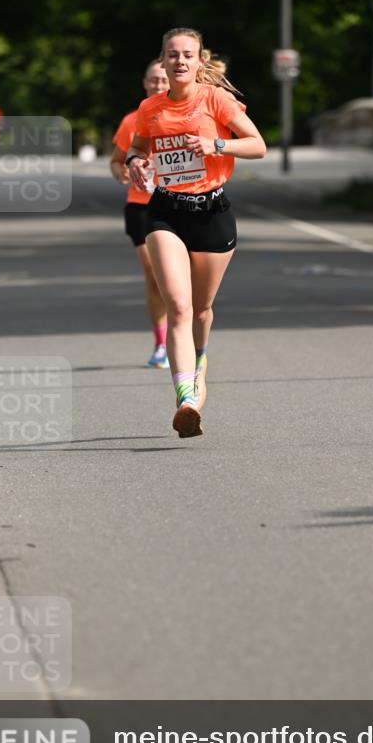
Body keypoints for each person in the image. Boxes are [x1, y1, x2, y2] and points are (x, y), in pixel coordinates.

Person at [126, 27, 266, 438]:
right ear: (163, 60)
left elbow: (257, 145)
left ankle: (200, 358)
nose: (180, 61)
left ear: (200, 60)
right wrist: (135, 162)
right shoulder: (150, 108)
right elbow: (138, 147)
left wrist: (216, 146)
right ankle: (186, 398)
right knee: (179, 306)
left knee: (202, 310)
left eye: (188, 54)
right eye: (173, 54)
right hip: (165, 212)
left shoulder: (215, 100)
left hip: (211, 213)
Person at [111, 61, 170, 367]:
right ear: (145, 83)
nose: (158, 85)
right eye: (153, 80)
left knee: (180, 278)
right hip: (141, 205)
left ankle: (184, 336)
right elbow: (116, 160)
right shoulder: (131, 121)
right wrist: (121, 172)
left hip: (177, 201)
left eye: (163, 80)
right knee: (155, 275)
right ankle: (161, 344)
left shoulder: (184, 116)